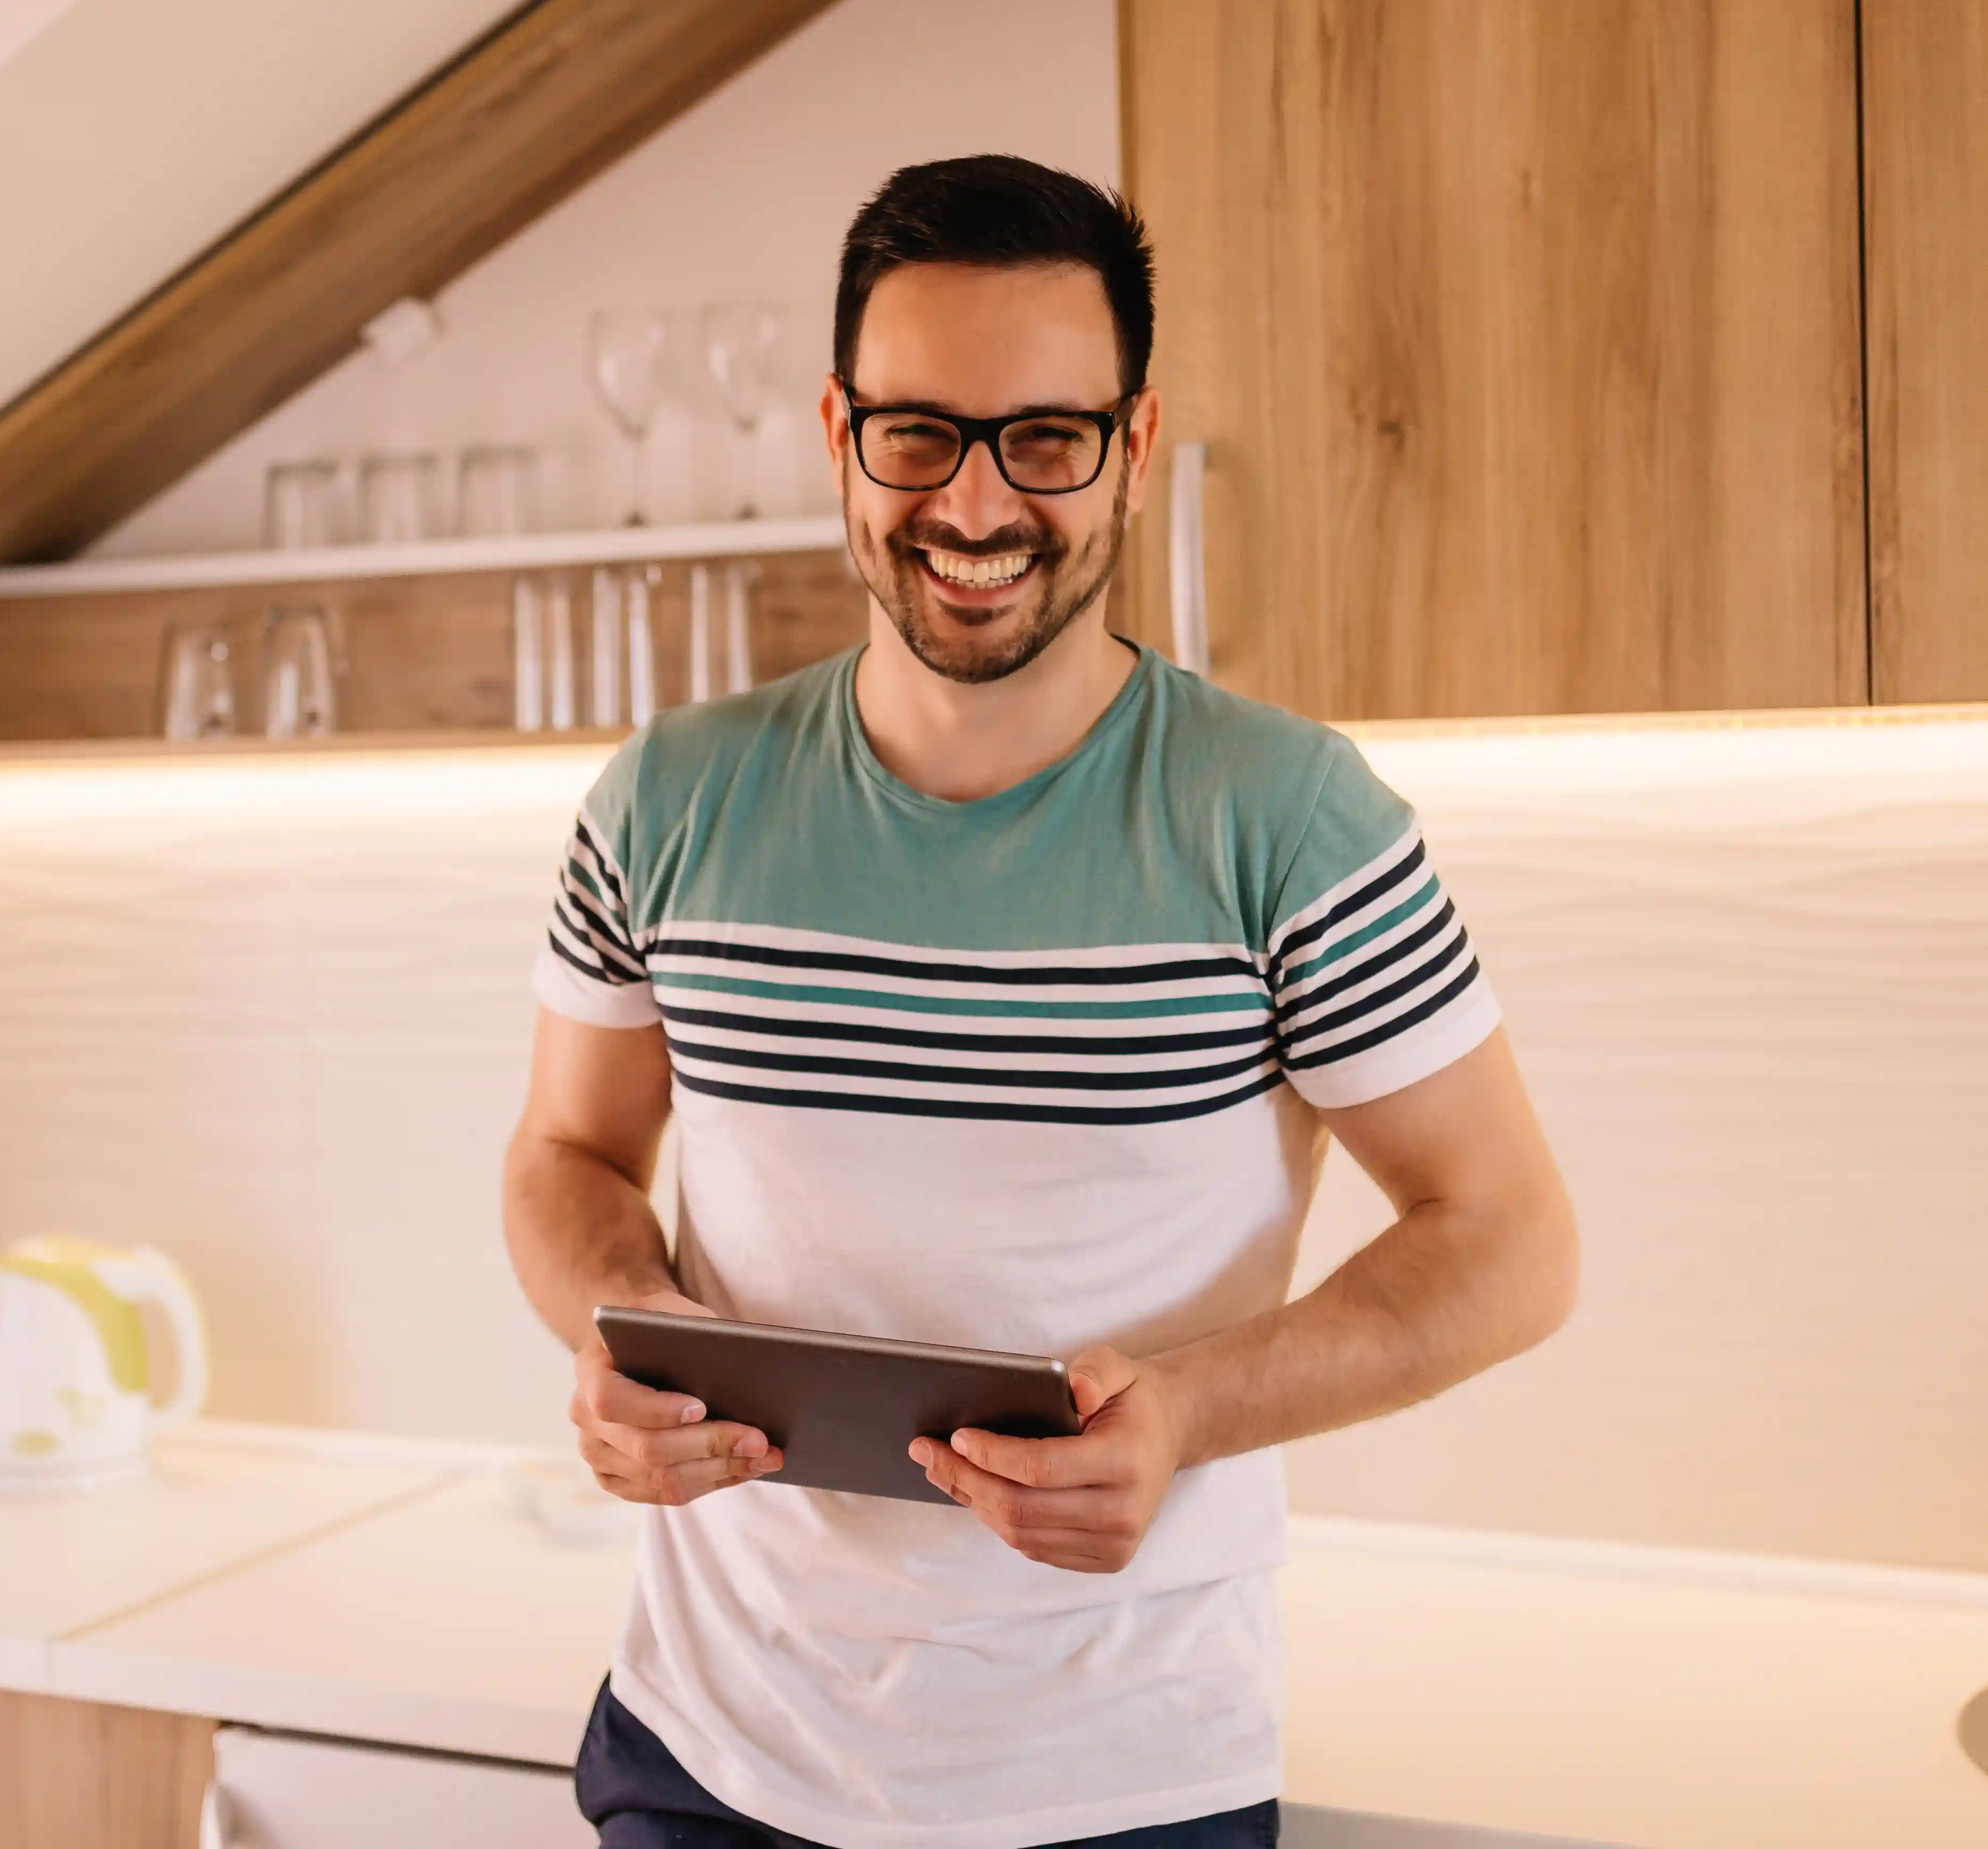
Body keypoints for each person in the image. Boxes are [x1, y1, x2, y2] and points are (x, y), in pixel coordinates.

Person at [503, 154, 1579, 1849]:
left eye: (1046, 438)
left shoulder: (1289, 820)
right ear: (839, 432)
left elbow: (1511, 1238)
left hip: (1117, 1787)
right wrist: (614, 1337)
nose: (978, 506)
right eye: (918, 432)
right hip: (711, 1755)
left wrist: (1193, 1415)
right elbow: (567, 1154)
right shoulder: (668, 799)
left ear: (1133, 447)